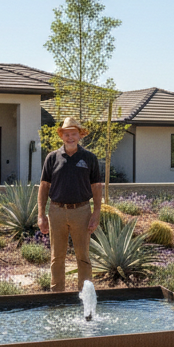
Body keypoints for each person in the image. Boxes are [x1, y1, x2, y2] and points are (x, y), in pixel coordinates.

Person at [38, 116, 105, 292]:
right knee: (56, 257)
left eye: (73, 134)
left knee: (83, 257)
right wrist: (41, 215)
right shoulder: (52, 158)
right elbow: (44, 187)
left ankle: (84, 297)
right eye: (66, 134)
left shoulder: (89, 158)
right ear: (61, 136)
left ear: (80, 135)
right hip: (56, 211)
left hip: (82, 211)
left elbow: (97, 187)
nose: (70, 138)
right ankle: (57, 296)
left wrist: (96, 213)